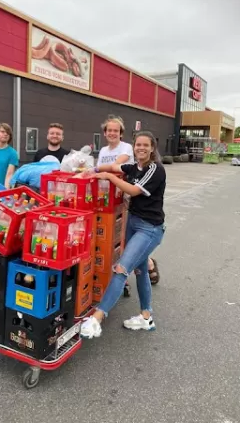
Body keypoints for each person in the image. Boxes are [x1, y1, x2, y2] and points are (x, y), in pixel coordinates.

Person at [80, 131, 166, 338]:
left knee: (121, 269)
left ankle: (97, 318)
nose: (141, 148)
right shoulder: (135, 167)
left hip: (150, 229)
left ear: (152, 148)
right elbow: (114, 166)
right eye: (138, 145)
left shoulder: (155, 169)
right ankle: (146, 317)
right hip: (134, 223)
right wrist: (92, 169)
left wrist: (108, 177)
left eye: (146, 145)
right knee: (141, 270)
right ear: (134, 147)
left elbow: (134, 190)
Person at [93, 115, 160, 284]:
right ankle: (117, 272)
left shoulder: (127, 148)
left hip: (124, 198)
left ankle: (148, 264)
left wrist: (99, 169)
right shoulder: (102, 151)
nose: (112, 133)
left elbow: (117, 164)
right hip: (106, 200)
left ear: (121, 133)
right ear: (105, 133)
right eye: (109, 130)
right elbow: (100, 174)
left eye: (116, 130)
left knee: (123, 238)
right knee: (112, 237)